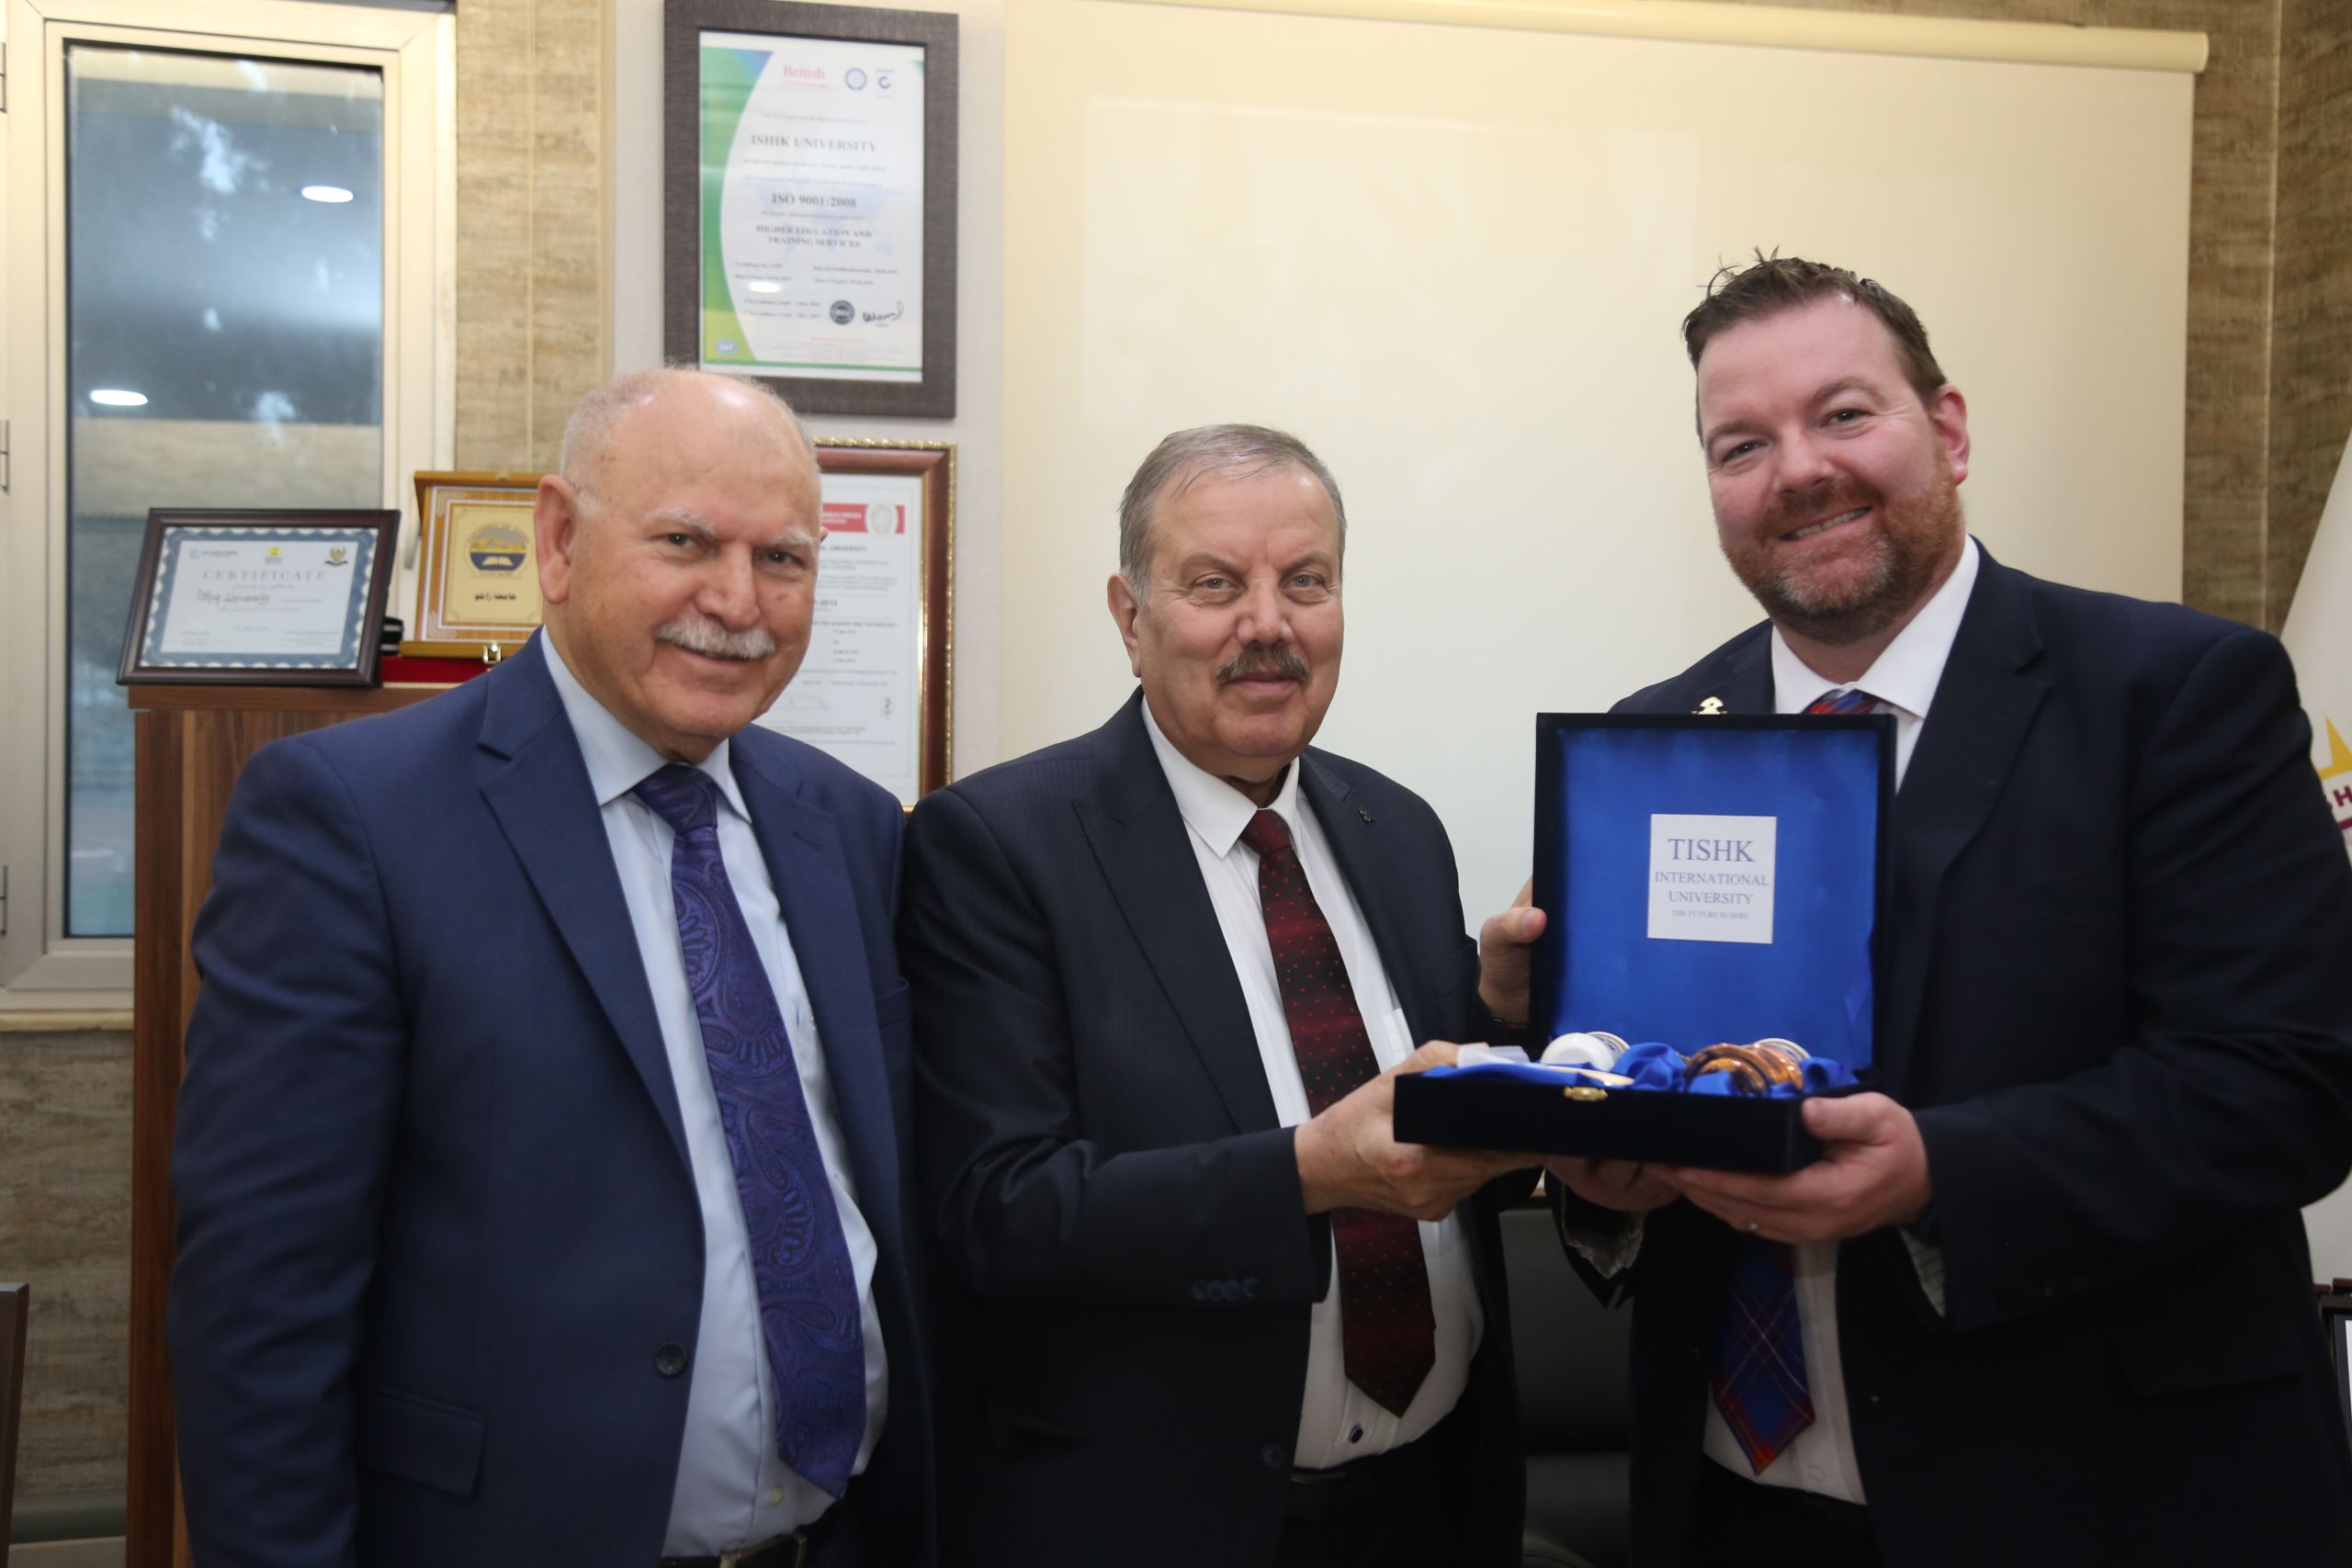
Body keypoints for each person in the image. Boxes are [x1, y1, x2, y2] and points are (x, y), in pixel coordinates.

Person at [1527, 255, 2352, 1566]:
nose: (1798, 470)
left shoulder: (2178, 694)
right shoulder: (1654, 737)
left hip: (2092, 1498)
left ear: (1948, 428)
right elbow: (1656, 1079)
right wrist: (1600, 1161)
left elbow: (2285, 1082)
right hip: (1729, 1506)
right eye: (1742, 443)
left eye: (1844, 414)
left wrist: (1938, 1175)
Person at [169, 369, 934, 1568]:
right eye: (685, 541)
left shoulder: (849, 824)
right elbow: (260, 1303)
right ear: (561, 540)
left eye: (782, 558)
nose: (738, 601)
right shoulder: (353, 820)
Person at [898, 424, 1537, 1567]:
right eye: (1214, 584)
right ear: (1129, 617)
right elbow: (1000, 1211)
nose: (1268, 625)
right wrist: (1306, 1174)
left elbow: (1422, 1124)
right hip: (1168, 1521)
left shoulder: (1399, 830)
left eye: (1306, 581)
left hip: (1439, 1498)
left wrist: (1500, 1011)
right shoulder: (997, 847)